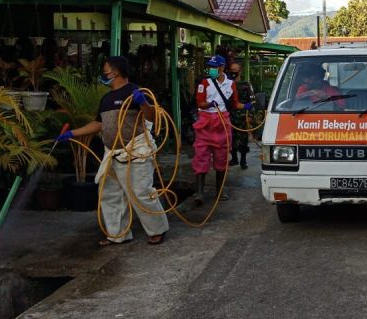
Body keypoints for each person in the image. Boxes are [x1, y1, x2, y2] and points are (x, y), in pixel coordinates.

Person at [56, 56, 169, 246]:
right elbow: (98, 124)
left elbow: (153, 118)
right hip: (113, 154)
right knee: (111, 194)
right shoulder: (106, 98)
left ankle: (158, 230)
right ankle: (118, 234)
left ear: (114, 72)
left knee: (141, 192)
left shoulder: (136, 92)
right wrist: (71, 134)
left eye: (105, 71)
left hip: (136, 151)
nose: (103, 74)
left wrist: (143, 103)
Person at [193, 55, 253, 201]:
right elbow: (200, 103)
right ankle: (199, 193)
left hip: (222, 122)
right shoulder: (204, 83)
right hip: (206, 121)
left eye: (214, 67)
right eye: (210, 67)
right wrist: (209, 104)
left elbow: (235, 103)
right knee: (201, 155)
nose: (211, 69)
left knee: (221, 157)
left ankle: (220, 191)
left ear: (221, 67)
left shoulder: (230, 84)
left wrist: (247, 106)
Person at [227, 62, 255, 169]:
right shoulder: (227, 84)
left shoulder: (246, 85)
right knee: (231, 139)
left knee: (243, 140)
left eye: (235, 70)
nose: (233, 72)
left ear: (240, 72)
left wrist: (250, 115)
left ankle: (243, 161)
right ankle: (234, 159)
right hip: (230, 117)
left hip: (243, 118)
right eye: (231, 70)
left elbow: (253, 102)